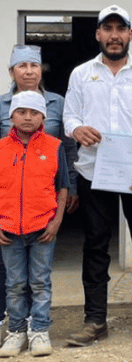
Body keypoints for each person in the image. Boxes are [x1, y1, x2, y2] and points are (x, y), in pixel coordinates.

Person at [63, 4, 132, 345]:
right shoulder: (81, 73)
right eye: (107, 29)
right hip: (95, 172)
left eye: (120, 29)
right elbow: (69, 117)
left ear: (130, 34)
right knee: (95, 246)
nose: (114, 35)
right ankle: (95, 320)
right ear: (98, 35)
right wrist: (77, 130)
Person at [0, 44, 79, 325]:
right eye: (22, 66)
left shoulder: (58, 101)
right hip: (9, 207)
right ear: (12, 71)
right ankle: (12, 323)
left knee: (39, 275)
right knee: (12, 275)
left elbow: (67, 150)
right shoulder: (1, 105)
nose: (29, 71)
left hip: (43, 198)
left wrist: (73, 186)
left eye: (34, 66)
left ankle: (39, 325)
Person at [0, 92, 68, 357]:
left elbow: (62, 186)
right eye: (22, 112)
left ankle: (39, 330)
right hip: (8, 230)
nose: (28, 117)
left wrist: (57, 221)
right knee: (15, 284)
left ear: (43, 117)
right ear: (12, 116)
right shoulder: (2, 148)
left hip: (42, 227)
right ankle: (16, 332)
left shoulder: (54, 146)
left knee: (40, 282)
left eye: (34, 112)